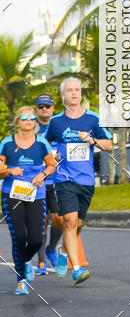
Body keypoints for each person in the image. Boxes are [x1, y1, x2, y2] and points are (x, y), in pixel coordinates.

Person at [45, 77, 113, 284]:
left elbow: (109, 145)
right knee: (70, 221)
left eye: (77, 90)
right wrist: (53, 156)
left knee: (79, 224)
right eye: (69, 90)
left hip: (86, 179)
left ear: (80, 94)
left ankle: (64, 250)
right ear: (63, 95)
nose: (74, 93)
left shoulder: (93, 119)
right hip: (64, 178)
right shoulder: (56, 122)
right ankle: (76, 269)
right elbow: (46, 145)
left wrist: (92, 140)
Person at [0, 106, 57, 294]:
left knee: (36, 239)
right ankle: (21, 279)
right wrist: (8, 171)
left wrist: (42, 174)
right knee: (19, 237)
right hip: (11, 195)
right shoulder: (7, 143)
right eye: (24, 117)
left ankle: (23, 260)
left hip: (36, 195)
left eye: (32, 118)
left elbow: (51, 165)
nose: (29, 120)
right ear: (18, 121)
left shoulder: (41, 143)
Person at [33, 94, 63, 274]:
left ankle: (52, 248)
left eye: (47, 106)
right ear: (36, 109)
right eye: (40, 106)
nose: (44, 109)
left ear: (53, 108)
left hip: (57, 181)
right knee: (41, 223)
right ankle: (41, 261)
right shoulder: (31, 127)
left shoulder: (60, 126)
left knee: (59, 220)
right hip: (39, 181)